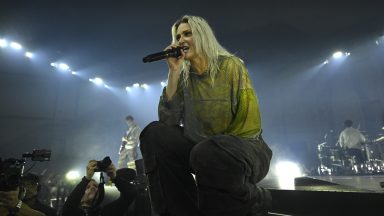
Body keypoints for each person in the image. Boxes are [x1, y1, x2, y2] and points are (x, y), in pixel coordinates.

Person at [140, 15, 273, 216]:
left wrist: (216, 146)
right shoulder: (184, 76)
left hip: (246, 150)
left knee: (209, 152)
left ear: (202, 35)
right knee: (154, 134)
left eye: (187, 34)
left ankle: (255, 198)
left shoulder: (231, 65)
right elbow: (168, 123)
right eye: (177, 37)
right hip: (200, 152)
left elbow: (249, 123)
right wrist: (173, 72)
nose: (180, 41)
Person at [62, 160, 137, 216]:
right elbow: (69, 206)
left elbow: (130, 194)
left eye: (95, 186)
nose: (92, 188)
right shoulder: (73, 213)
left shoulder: (107, 212)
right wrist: (87, 178)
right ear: (80, 197)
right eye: (87, 187)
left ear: (99, 195)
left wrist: (115, 178)